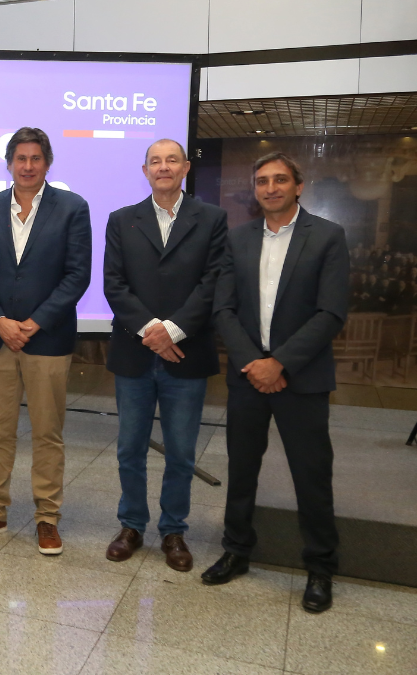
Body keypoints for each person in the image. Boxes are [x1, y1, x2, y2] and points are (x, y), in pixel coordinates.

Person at [202, 152, 348, 614]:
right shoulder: (238, 238)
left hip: (302, 380)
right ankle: (237, 551)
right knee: (242, 470)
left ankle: (321, 568)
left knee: (311, 476)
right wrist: (254, 363)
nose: (271, 188)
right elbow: (223, 308)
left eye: (280, 180)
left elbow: (331, 312)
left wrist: (280, 363)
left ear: (298, 186)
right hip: (248, 378)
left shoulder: (327, 236)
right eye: (262, 181)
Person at [0, 127, 91, 555]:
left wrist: (34, 322)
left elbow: (77, 274)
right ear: (10, 163)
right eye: (21, 159)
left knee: (47, 432)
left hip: (47, 341)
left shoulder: (72, 207)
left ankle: (47, 518)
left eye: (36, 159)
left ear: (47, 163)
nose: (28, 166)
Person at [98, 139, 228, 571]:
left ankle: (174, 531)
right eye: (156, 161)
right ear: (145, 170)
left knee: (181, 452)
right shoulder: (122, 220)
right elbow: (114, 284)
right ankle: (132, 524)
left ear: (186, 168)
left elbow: (213, 282)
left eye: (172, 160)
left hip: (185, 354)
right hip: (134, 355)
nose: (164, 167)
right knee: (129, 448)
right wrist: (151, 331)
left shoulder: (212, 219)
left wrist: (171, 330)